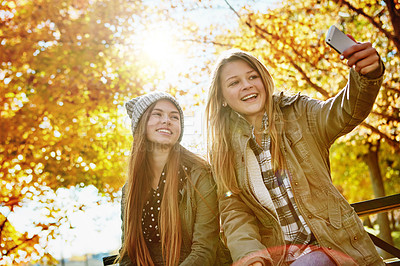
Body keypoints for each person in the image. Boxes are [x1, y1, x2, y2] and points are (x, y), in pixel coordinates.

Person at [205, 34, 385, 266]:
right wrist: (251, 258)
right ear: (221, 97)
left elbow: (344, 111)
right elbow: (235, 214)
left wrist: (366, 74)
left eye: (252, 76)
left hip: (333, 248)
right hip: (280, 259)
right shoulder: (223, 151)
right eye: (234, 82)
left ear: (264, 80)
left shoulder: (299, 113)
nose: (247, 85)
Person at [118, 91, 222, 266]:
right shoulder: (130, 188)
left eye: (174, 117)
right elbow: (128, 253)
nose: (167, 120)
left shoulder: (200, 174)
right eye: (157, 114)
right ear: (141, 125)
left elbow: (205, 249)